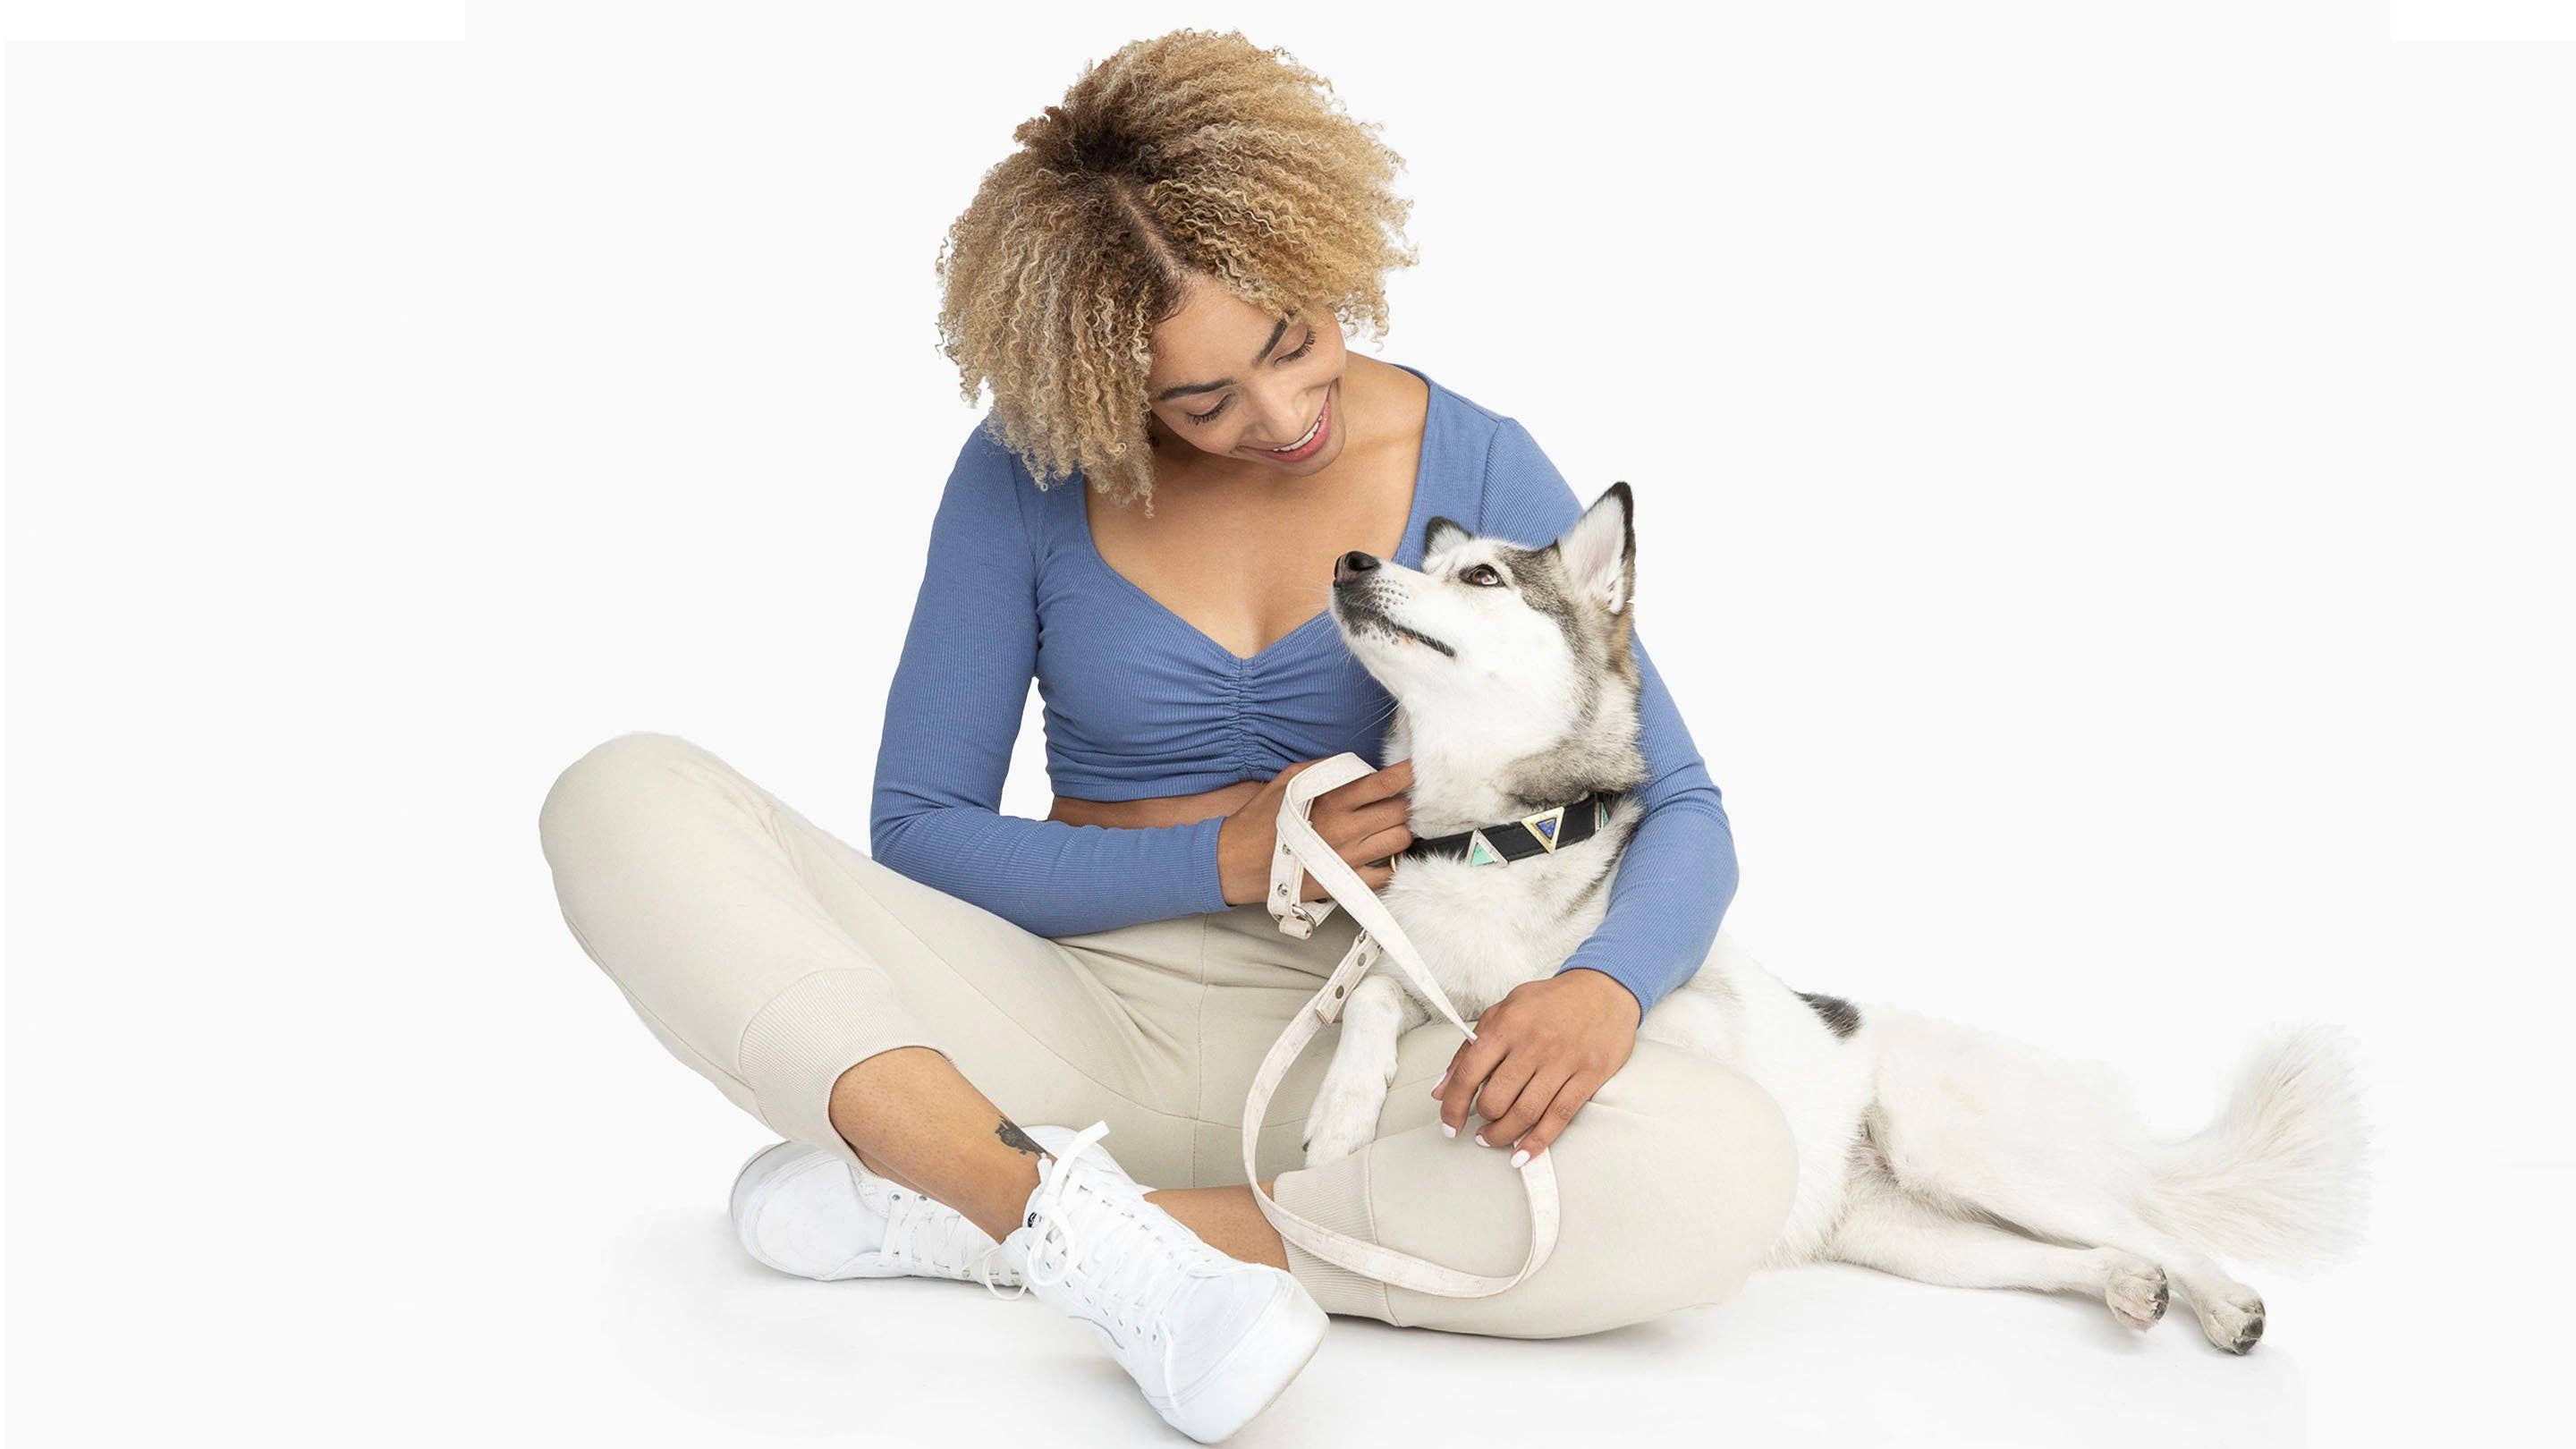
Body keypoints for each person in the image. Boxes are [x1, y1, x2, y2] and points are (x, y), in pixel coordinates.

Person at [538, 28, 1797, 1445]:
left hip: (1366, 1049)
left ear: (1322, 254)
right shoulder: (1022, 478)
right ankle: (1049, 1215)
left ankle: (1006, 1218)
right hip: (1067, 1015)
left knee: (1723, 1168)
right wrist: (1221, 854)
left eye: (1294, 342)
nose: (1283, 416)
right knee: (620, 794)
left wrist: (1607, 988)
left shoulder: (1479, 457)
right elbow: (919, 832)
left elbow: (1681, 800)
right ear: (1105, 388)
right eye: (1202, 402)